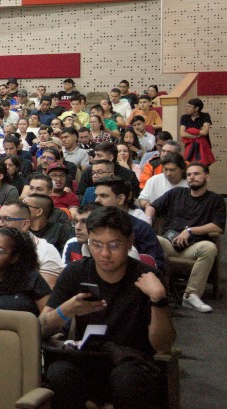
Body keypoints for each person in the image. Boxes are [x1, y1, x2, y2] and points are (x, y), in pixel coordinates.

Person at [40, 207, 174, 409]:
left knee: (126, 380)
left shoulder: (147, 276)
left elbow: (163, 346)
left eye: (114, 245)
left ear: (129, 243)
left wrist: (158, 299)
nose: (104, 253)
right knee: (59, 374)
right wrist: (66, 310)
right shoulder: (75, 273)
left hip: (133, 363)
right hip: (88, 359)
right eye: (96, 244)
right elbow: (40, 328)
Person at [146, 164, 225, 312]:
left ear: (207, 177)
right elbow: (152, 206)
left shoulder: (216, 200)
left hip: (194, 246)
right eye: (189, 175)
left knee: (209, 247)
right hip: (168, 243)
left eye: (196, 174)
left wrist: (190, 230)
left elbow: (218, 226)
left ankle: (191, 295)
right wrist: (148, 221)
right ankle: (151, 290)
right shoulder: (176, 193)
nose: (192, 177)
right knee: (150, 238)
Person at [93, 177, 166, 270]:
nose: (97, 200)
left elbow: (155, 265)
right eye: (96, 195)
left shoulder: (141, 228)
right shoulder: (91, 226)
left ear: (120, 199)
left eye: (103, 196)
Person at [179, 98, 214, 166]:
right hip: (190, 146)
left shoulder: (205, 116)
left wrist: (189, 131)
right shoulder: (184, 117)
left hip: (204, 146)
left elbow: (205, 132)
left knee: (203, 168)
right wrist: (197, 133)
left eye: (189, 106)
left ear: (197, 108)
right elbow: (182, 133)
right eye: (186, 106)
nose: (186, 108)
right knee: (189, 166)